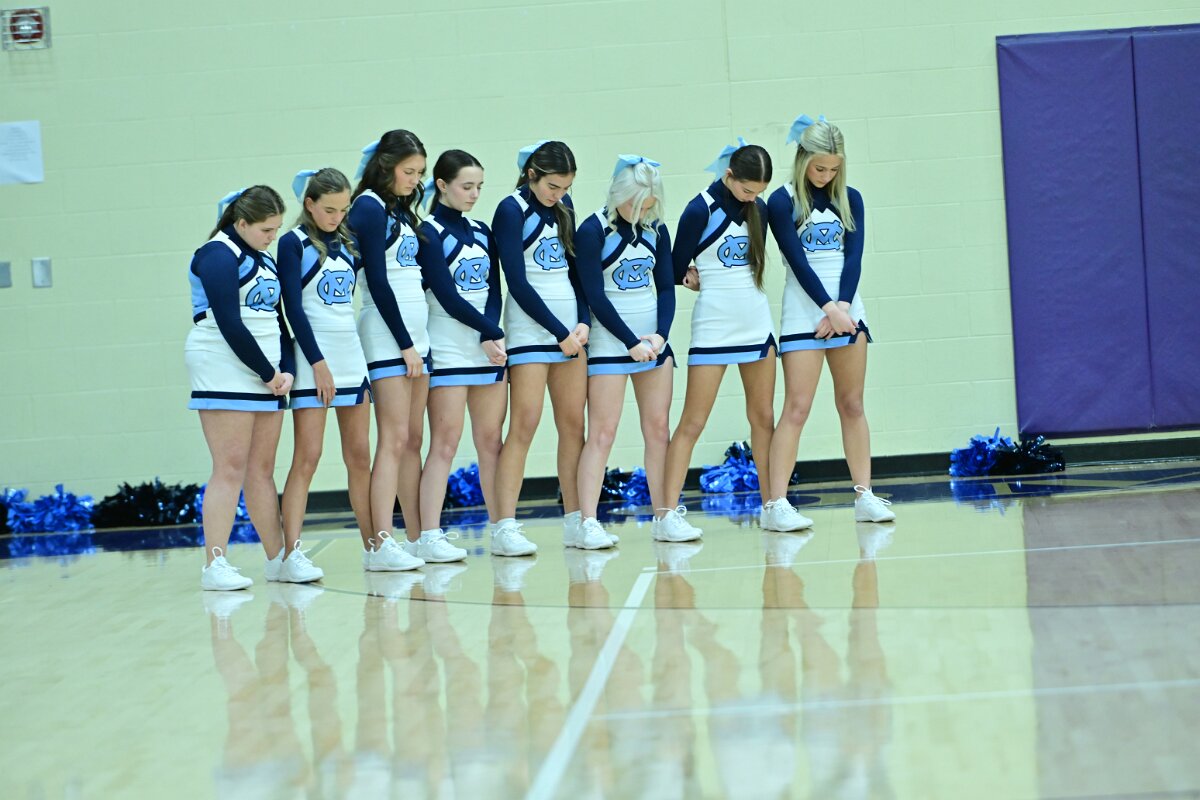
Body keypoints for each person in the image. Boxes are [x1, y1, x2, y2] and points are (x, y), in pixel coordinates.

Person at [765, 115, 894, 525]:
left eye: (834, 169)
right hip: (805, 310)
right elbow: (797, 261)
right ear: (802, 159)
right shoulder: (781, 201)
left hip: (846, 308)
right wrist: (828, 309)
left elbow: (853, 258)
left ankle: (865, 496)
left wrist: (842, 308)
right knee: (797, 407)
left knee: (852, 403)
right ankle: (776, 504)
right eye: (819, 168)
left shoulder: (850, 198)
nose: (825, 175)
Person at [350, 129, 462, 569]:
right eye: (409, 171)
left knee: (413, 439)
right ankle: (382, 543)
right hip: (388, 336)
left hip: (416, 337)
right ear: (386, 166)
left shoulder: (399, 208)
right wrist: (404, 344)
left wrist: (416, 342)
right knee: (393, 440)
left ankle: (418, 538)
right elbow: (377, 282)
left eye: (419, 173)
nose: (416, 180)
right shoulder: (368, 207)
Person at [574, 154, 698, 546]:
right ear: (617, 194)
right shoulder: (592, 230)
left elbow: (665, 286)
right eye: (635, 204)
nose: (641, 212)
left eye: (648, 205)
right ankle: (588, 521)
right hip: (610, 344)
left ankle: (666, 515)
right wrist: (629, 342)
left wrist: (660, 335)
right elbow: (594, 295)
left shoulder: (656, 229)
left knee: (658, 430)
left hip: (652, 346)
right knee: (603, 433)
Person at [659, 140, 779, 540]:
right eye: (747, 189)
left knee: (763, 418)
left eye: (758, 191)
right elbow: (673, 269)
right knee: (693, 421)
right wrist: (689, 277)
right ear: (729, 175)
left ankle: (773, 505)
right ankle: (667, 515)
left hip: (756, 321)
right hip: (713, 324)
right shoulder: (699, 209)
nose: (752, 197)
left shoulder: (759, 209)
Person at [414, 150, 528, 557]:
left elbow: (495, 288)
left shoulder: (482, 231)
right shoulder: (426, 232)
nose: (474, 194)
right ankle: (429, 535)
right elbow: (446, 295)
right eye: (466, 186)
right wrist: (490, 331)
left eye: (479, 186)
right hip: (448, 347)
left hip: (486, 347)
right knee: (444, 443)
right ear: (442, 185)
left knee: (491, 441)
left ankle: (504, 528)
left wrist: (491, 333)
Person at [186, 185, 293, 590]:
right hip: (222, 364)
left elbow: (278, 320)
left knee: (262, 470)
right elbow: (230, 323)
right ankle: (215, 564)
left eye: (277, 229)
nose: (272, 237)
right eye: (266, 229)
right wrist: (268, 373)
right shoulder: (217, 253)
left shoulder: (263, 257)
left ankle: (278, 559)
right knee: (229, 467)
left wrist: (286, 369)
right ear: (242, 223)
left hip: (265, 369)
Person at [489, 141, 592, 549]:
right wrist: (558, 331)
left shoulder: (564, 208)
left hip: (570, 334)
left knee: (573, 425)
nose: (558, 194)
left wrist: (582, 321)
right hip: (531, 333)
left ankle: (576, 519)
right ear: (532, 174)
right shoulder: (510, 209)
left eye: (565, 188)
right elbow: (516, 282)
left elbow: (576, 272)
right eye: (552, 186)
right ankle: (505, 526)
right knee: (525, 425)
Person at [275, 167, 371, 584]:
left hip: (351, 355)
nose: (336, 217)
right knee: (308, 457)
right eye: (329, 210)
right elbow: (292, 309)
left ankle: (375, 545)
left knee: (360, 456)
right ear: (309, 204)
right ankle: (291, 554)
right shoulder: (292, 243)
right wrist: (316, 363)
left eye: (343, 209)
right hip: (314, 359)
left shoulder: (349, 242)